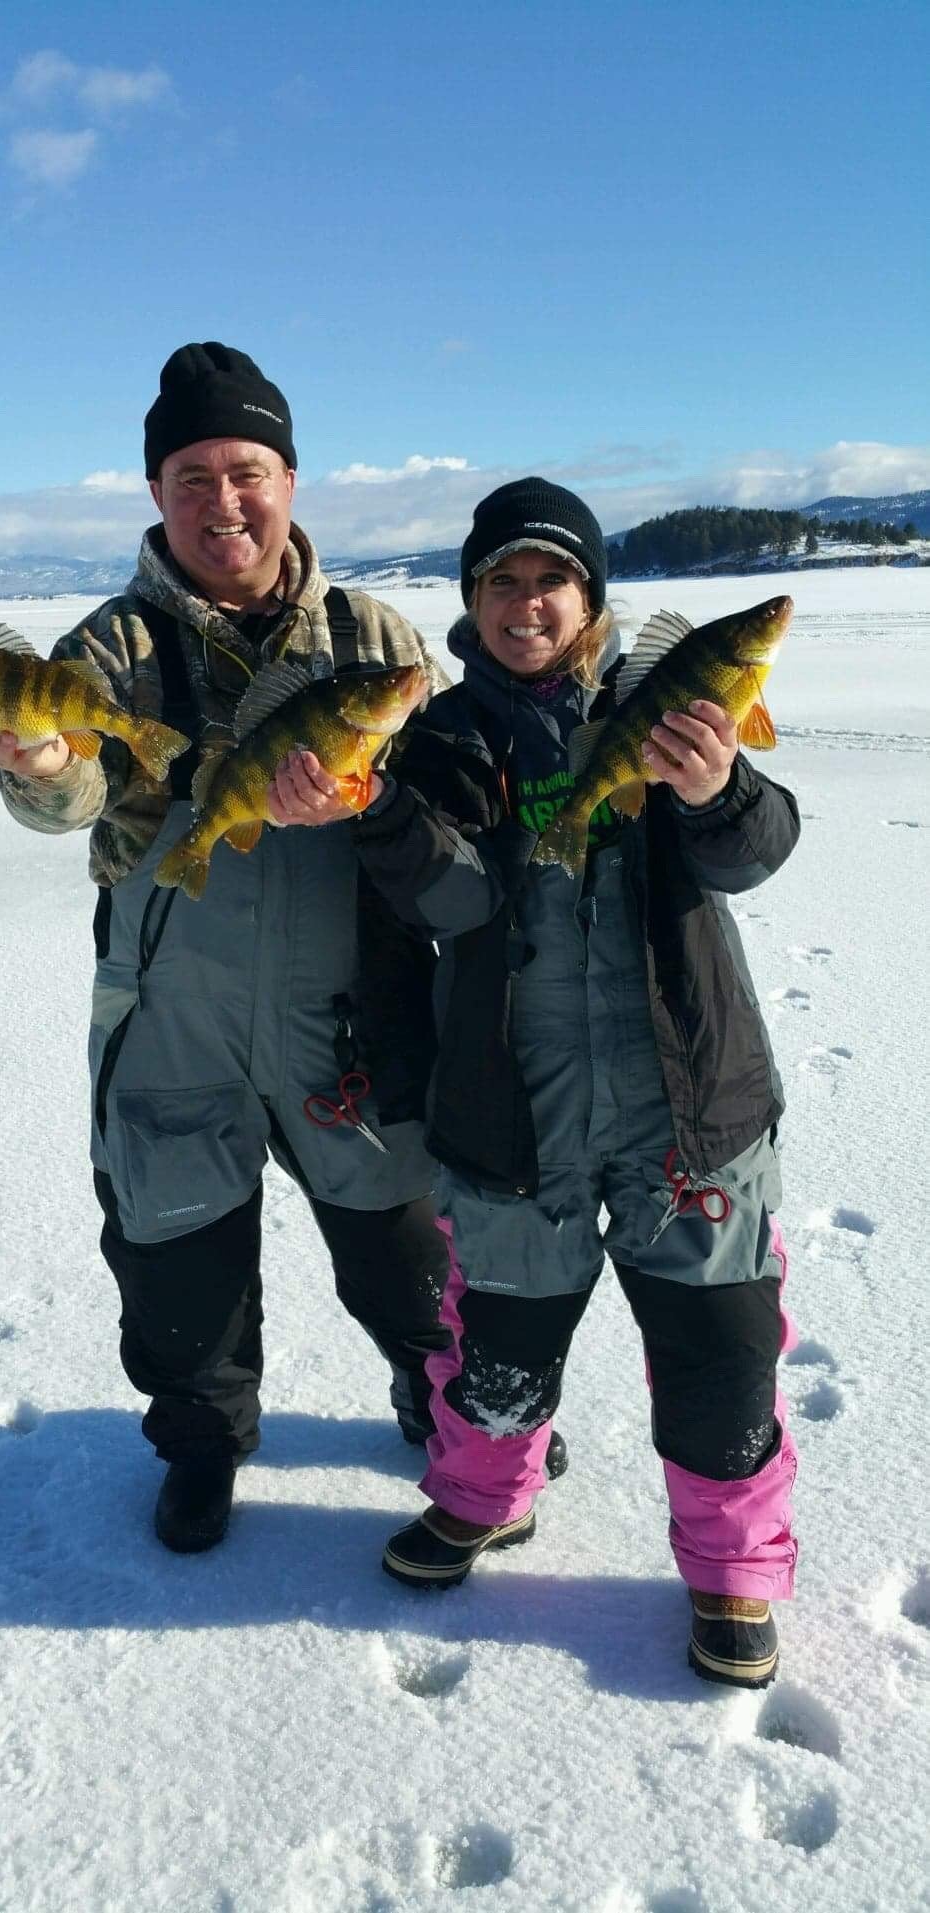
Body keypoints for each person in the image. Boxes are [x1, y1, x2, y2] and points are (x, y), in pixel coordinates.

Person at [0, 342, 465, 1554]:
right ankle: (204, 1442)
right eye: (191, 477)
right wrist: (44, 763)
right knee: (178, 1253)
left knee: (404, 1237)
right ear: (156, 492)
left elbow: (441, 797)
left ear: (289, 480)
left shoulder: (371, 634)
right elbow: (71, 794)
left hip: (348, 1001)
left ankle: (442, 1396)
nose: (223, 501)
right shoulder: (110, 647)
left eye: (246, 471)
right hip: (173, 999)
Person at [343, 476, 800, 1687]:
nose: (526, 601)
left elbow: (754, 850)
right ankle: (483, 1495)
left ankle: (732, 1564)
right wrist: (379, 811)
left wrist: (715, 788)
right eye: (501, 579)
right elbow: (449, 900)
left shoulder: (662, 702)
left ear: (589, 597)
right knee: (499, 1337)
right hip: (513, 1105)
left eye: (551, 578)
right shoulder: (439, 736)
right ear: (470, 599)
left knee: (719, 1345)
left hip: (686, 1099)